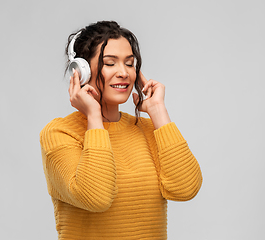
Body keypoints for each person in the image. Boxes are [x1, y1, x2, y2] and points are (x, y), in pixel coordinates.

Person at [40, 20, 203, 240]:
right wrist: (94, 115)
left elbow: (186, 189)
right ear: (81, 72)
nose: (124, 72)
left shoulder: (148, 128)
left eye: (129, 63)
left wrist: (157, 110)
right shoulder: (59, 133)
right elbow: (96, 197)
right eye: (110, 63)